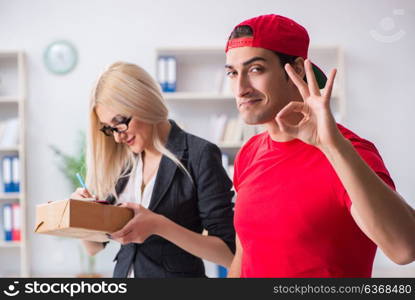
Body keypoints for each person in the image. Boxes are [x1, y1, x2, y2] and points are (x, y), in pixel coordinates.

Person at [224, 14, 415, 278]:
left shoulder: (348, 151)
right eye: (233, 73)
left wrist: (333, 146)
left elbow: (404, 249)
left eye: (256, 69)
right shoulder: (249, 152)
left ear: (298, 70)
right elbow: (244, 256)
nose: (241, 88)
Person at [71, 62, 235, 278]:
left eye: (120, 122)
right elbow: (93, 248)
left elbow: (229, 255)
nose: (118, 137)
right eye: (109, 128)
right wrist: (83, 214)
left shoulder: (199, 154)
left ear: (143, 102)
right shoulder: (122, 162)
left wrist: (159, 225)